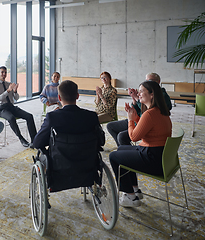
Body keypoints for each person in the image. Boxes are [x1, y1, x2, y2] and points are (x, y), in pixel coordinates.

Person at [34, 80, 105, 193]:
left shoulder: (53, 117)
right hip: (87, 168)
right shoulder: (91, 117)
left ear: (59, 98)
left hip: (59, 170)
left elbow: (37, 143)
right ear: (77, 96)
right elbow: (101, 141)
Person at [109, 80, 172, 208]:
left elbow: (133, 137)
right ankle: (135, 189)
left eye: (142, 91)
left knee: (113, 156)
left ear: (152, 94)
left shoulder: (150, 114)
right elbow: (145, 128)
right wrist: (136, 117)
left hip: (152, 159)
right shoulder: (159, 111)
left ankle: (130, 196)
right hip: (159, 155)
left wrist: (130, 120)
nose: (139, 93)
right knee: (121, 149)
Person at [107, 73, 172, 146]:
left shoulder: (160, 97)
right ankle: (123, 150)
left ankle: (125, 151)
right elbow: (139, 111)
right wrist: (134, 101)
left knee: (121, 137)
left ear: (158, 81)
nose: (147, 82)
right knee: (110, 126)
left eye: (150, 80)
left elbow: (134, 136)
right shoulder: (149, 109)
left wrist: (131, 119)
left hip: (148, 131)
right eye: (146, 80)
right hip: (140, 120)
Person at [0, 66, 37, 148]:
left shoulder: (9, 84)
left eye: (5, 72)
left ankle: (35, 140)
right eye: (2, 72)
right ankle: (21, 139)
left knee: (29, 116)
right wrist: (8, 91)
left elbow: (16, 98)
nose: (4, 74)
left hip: (12, 107)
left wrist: (15, 91)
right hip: (2, 109)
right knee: (11, 118)